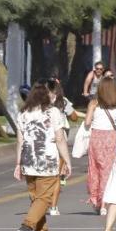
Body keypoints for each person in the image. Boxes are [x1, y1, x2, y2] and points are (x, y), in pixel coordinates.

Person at [13, 82, 72, 231]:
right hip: (47, 160)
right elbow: (60, 139)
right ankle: (27, 226)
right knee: (44, 198)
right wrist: (67, 160)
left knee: (36, 198)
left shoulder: (23, 113)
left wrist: (18, 163)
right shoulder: (52, 112)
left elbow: (20, 140)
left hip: (28, 160)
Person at [82, 75, 116, 216]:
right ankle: (105, 202)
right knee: (108, 170)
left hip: (97, 138)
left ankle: (98, 200)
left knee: (95, 169)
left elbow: (87, 123)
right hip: (112, 137)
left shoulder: (94, 103)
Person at [46, 78, 78, 218]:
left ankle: (39, 202)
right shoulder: (63, 101)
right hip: (60, 140)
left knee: (43, 175)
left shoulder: (40, 101)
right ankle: (53, 206)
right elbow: (74, 117)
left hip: (44, 140)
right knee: (57, 176)